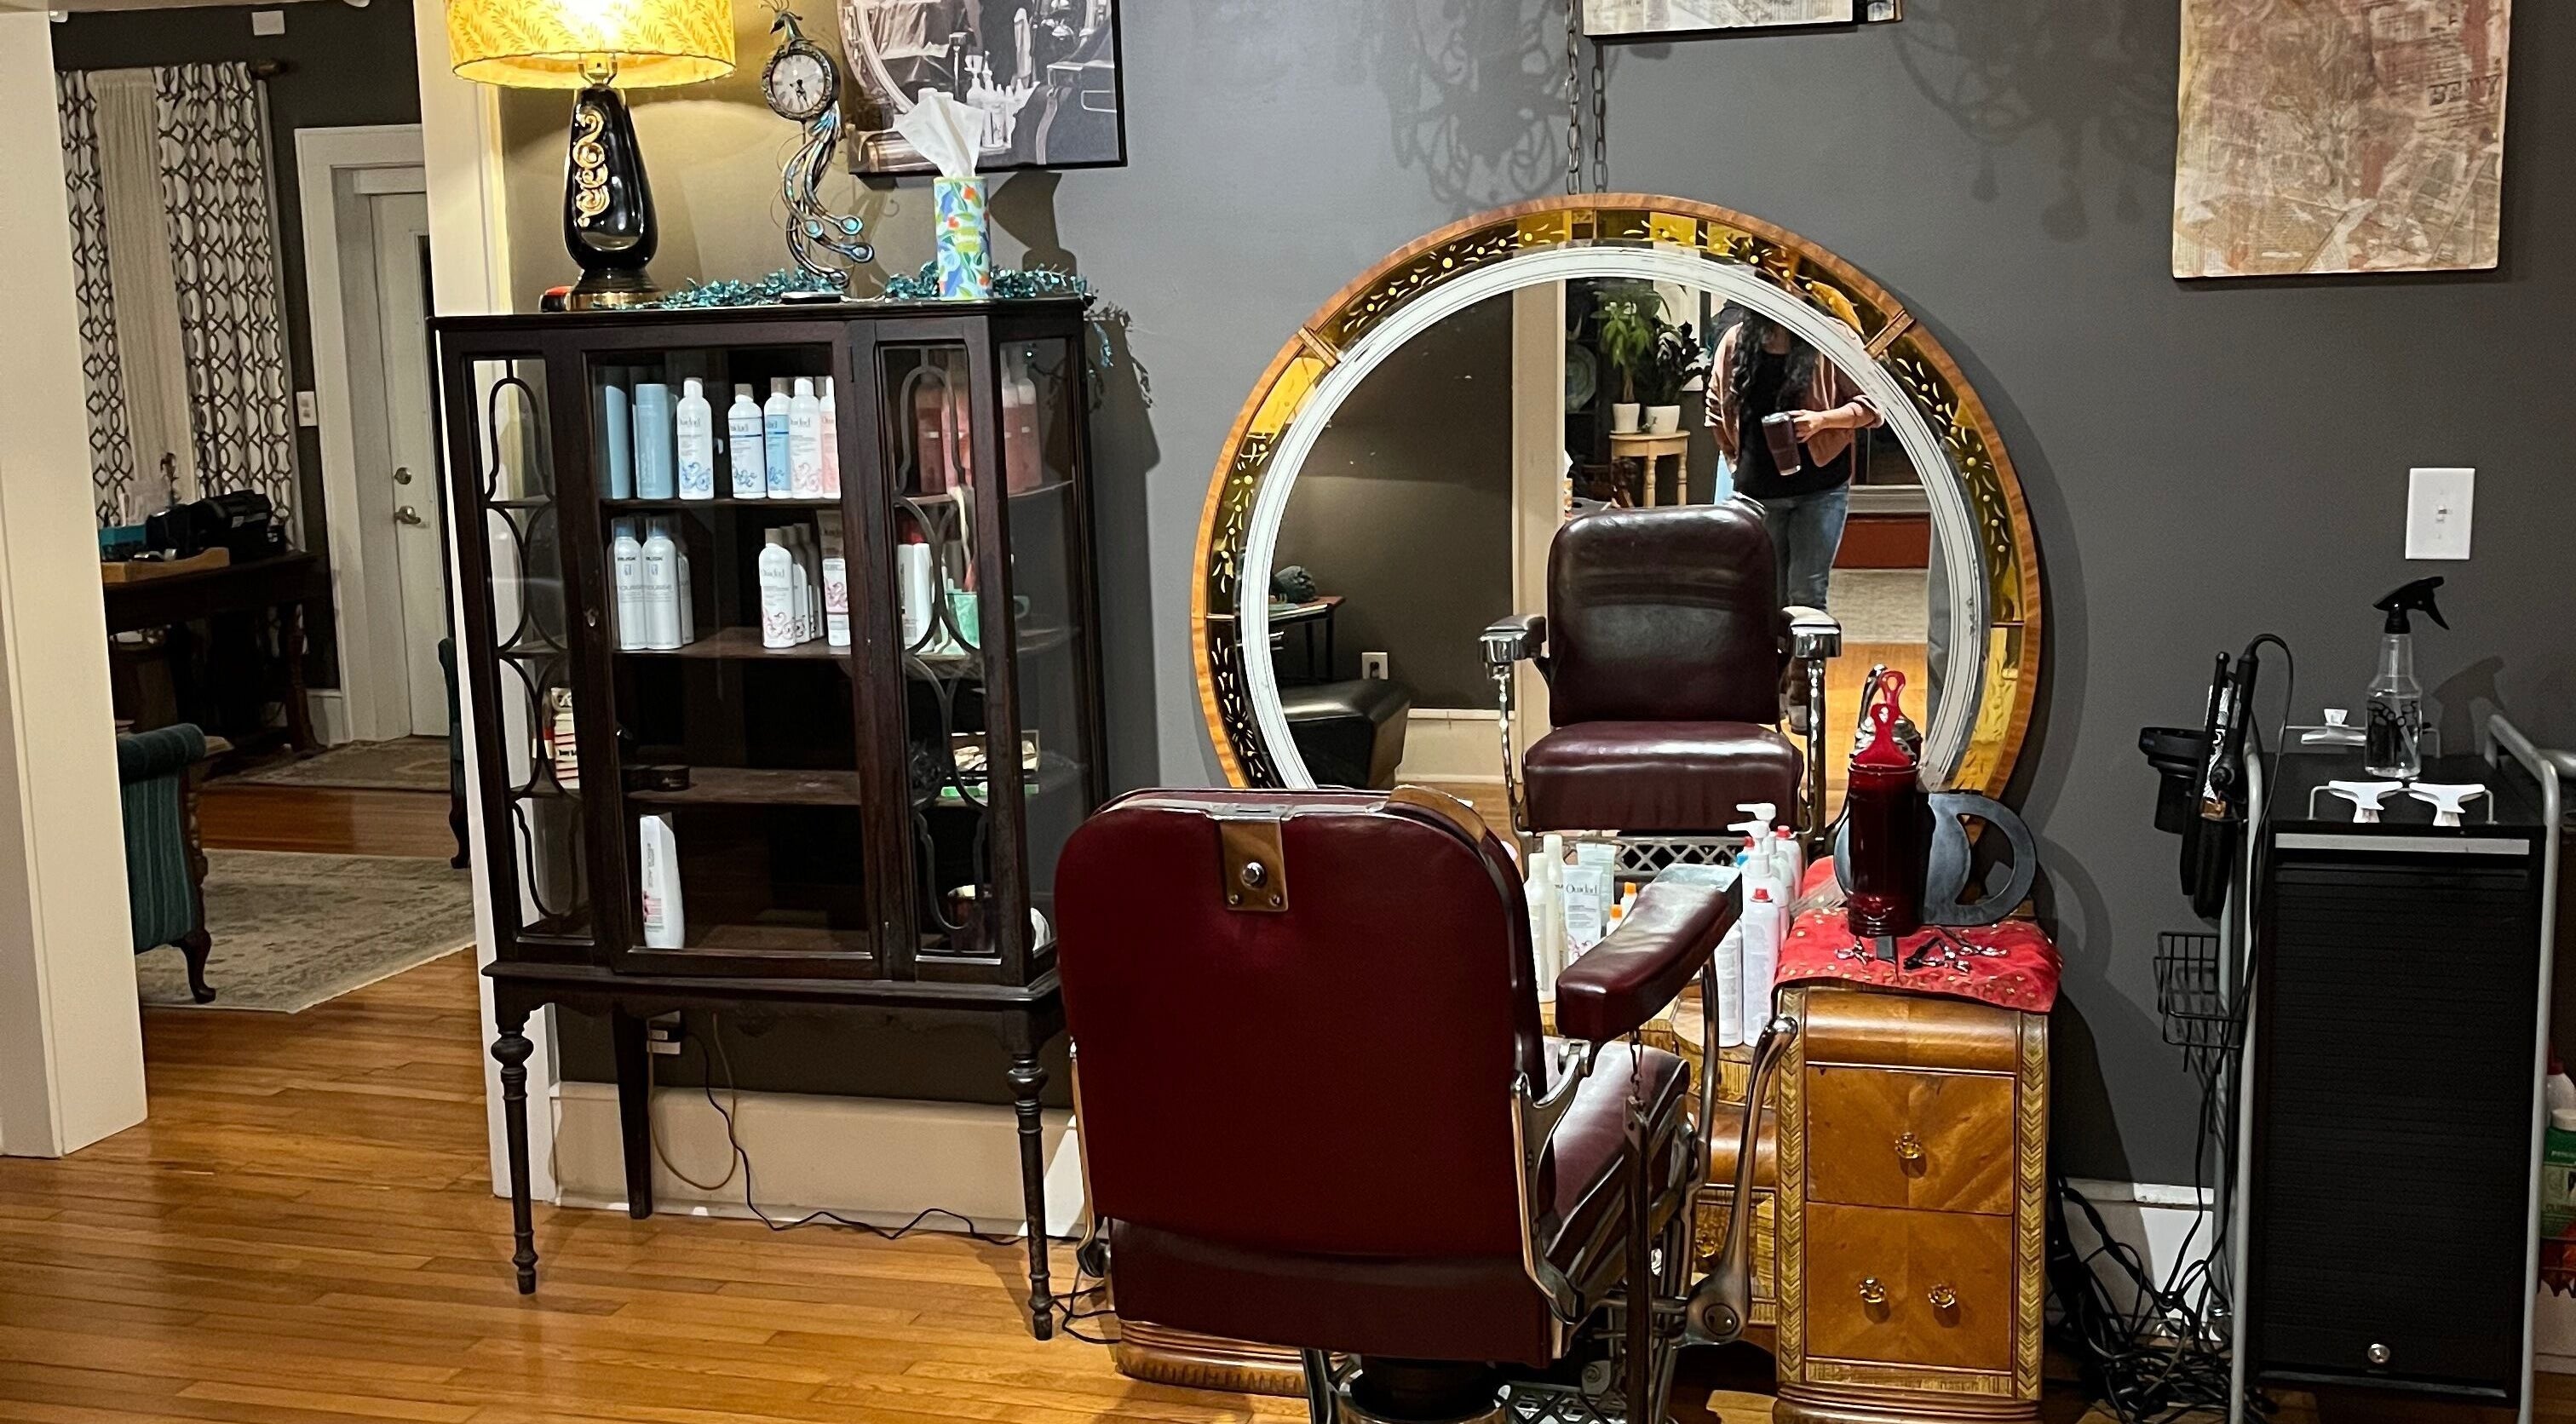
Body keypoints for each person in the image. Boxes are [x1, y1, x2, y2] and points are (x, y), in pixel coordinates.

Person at [1705, 308, 1881, 612]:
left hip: (1820, 490)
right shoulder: (1736, 339)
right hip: (1758, 492)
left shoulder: (1831, 336)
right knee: (1764, 598)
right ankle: (1772, 661)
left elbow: (1873, 405)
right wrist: (1734, 459)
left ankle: (1805, 662)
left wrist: (1821, 420)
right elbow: (1715, 409)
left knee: (1807, 596)